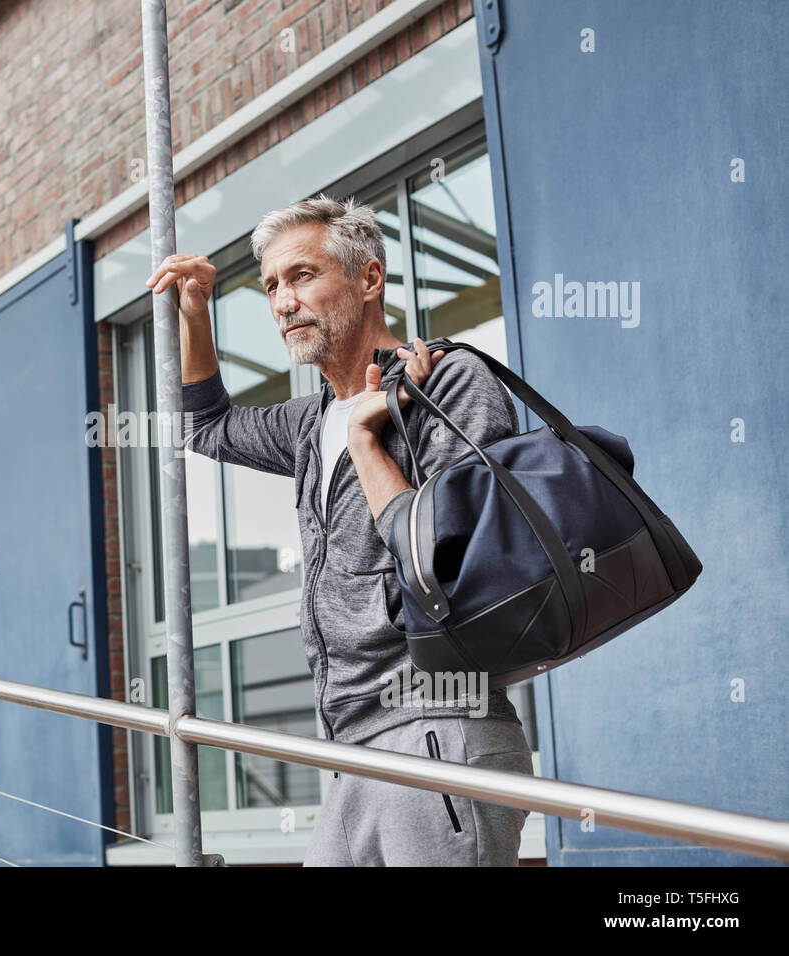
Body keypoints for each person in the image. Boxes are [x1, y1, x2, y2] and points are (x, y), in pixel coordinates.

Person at [145, 194, 535, 866]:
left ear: (369, 280)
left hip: (438, 727)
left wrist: (366, 441)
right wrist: (196, 312)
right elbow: (201, 428)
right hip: (350, 746)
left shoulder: (446, 383)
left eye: (302, 276)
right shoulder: (307, 424)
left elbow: (447, 557)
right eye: (270, 286)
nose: (283, 302)